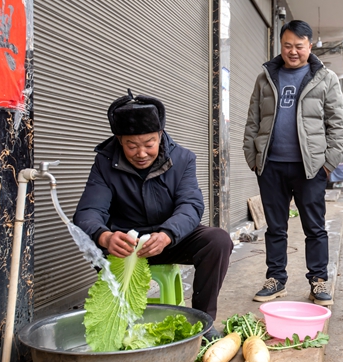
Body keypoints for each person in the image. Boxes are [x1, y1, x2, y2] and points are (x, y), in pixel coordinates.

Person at [73, 90, 233, 340]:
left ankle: (203, 322)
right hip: (125, 246)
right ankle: (117, 322)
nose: (141, 153)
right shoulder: (104, 162)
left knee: (218, 241)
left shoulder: (183, 159)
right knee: (96, 243)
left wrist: (168, 233)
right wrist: (105, 237)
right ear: (119, 140)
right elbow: (88, 211)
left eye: (149, 144)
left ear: (160, 135)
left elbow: (190, 205)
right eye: (131, 146)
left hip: (169, 239)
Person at [243, 19, 343, 306]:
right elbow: (253, 121)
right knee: (275, 228)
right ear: (281, 45)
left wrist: (328, 163)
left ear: (310, 46)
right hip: (271, 166)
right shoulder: (266, 77)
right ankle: (276, 280)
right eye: (287, 45)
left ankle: (318, 281)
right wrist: (253, 158)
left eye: (299, 46)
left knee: (315, 228)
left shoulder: (325, 78)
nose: (292, 51)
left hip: (309, 168)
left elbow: (337, 124)